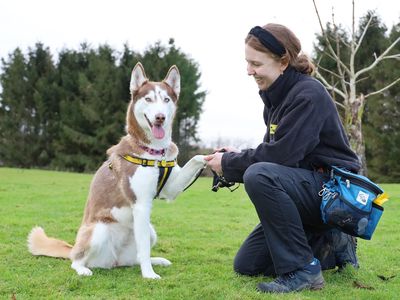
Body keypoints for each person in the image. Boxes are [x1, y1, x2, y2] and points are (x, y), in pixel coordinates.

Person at [204, 23, 360, 293]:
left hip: (336, 192)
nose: (249, 71)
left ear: (283, 62)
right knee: (247, 265)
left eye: (256, 63)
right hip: (308, 189)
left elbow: (281, 157)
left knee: (259, 175)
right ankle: (331, 244)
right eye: (247, 62)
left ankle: (304, 270)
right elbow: (275, 153)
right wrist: (236, 157)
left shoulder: (308, 95)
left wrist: (229, 165)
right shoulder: (276, 98)